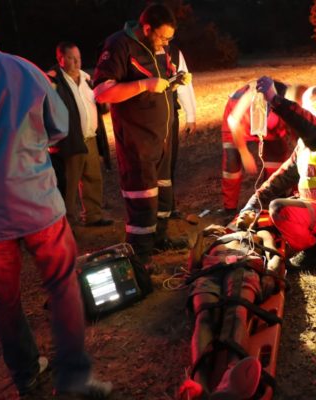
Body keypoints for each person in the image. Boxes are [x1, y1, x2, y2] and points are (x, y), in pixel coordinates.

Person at [0, 1, 112, 397]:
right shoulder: (25, 71)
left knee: (3, 302)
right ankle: (74, 377)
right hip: (38, 205)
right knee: (62, 285)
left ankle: (27, 374)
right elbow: (59, 129)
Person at [93, 3, 191, 265]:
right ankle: (140, 257)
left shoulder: (160, 46)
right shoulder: (119, 46)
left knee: (162, 194)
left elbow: (161, 80)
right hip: (137, 139)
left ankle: (159, 239)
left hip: (161, 137)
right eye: (162, 37)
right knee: (142, 198)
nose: (166, 43)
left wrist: (175, 80)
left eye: (169, 39)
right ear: (146, 29)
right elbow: (102, 92)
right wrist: (144, 85)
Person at [238, 79, 316, 270]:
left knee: (279, 210)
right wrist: (255, 201)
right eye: (307, 108)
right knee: (284, 202)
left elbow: (315, 133)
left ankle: (313, 253)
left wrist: (275, 100)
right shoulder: (307, 142)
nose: (310, 113)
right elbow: (285, 175)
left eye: (315, 105)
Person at [180, 223, 283, 399]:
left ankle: (231, 377)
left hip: (244, 266)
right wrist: (202, 235)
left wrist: (269, 273)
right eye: (241, 213)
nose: (242, 215)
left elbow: (274, 255)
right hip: (210, 271)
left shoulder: (260, 233)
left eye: (247, 212)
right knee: (204, 317)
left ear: (255, 219)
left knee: (236, 310)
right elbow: (194, 265)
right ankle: (198, 385)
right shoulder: (217, 239)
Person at [48, 41, 113, 227]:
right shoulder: (53, 82)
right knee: (69, 183)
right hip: (69, 140)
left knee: (93, 178)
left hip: (90, 138)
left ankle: (93, 216)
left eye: (79, 58)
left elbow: (97, 105)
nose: (77, 62)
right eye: (71, 58)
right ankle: (66, 223)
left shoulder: (86, 79)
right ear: (60, 59)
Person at [220, 81, 307, 217]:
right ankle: (229, 210)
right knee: (232, 162)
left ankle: (270, 200)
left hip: (270, 125)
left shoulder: (297, 102)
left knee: (276, 161)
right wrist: (244, 152)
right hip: (240, 119)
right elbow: (233, 121)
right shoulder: (257, 95)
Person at [169, 42, 197, 217]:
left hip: (170, 113)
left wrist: (191, 116)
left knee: (169, 161)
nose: (165, 40)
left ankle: (167, 205)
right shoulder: (136, 49)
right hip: (145, 117)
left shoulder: (173, 51)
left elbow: (184, 83)